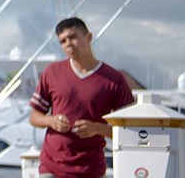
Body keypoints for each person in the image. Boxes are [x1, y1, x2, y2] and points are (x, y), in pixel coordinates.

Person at [29, 17, 134, 178]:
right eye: (63, 41)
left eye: (73, 37)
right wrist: (52, 120)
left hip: (91, 170)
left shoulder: (114, 79)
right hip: (51, 168)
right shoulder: (52, 73)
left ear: (88, 37)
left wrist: (97, 128)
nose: (68, 44)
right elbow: (34, 117)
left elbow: (128, 130)